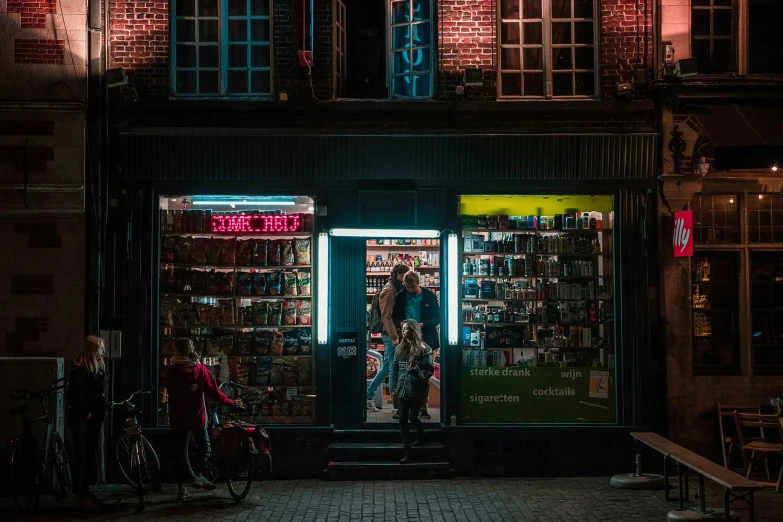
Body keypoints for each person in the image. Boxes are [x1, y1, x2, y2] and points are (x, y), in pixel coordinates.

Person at [166, 337, 243, 501]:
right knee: (204, 447)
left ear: (177, 350)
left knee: (179, 452)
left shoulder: (171, 370)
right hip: (196, 417)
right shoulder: (200, 369)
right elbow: (215, 393)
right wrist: (231, 402)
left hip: (177, 417)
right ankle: (199, 475)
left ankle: (181, 489)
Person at [392, 270, 440, 419]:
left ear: (418, 283)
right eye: (408, 287)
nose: (411, 290)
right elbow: (395, 316)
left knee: (424, 375)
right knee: (404, 372)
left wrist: (422, 324)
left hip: (427, 339)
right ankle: (402, 406)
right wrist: (403, 325)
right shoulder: (401, 296)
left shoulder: (429, 296)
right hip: (407, 339)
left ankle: (423, 406)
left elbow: (437, 317)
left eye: (413, 287)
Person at [67, 335, 107, 510]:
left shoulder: (88, 370)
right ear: (93, 350)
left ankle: (85, 491)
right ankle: (81, 496)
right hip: (84, 421)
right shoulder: (81, 371)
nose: (103, 352)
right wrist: (86, 412)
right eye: (101, 348)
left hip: (92, 421)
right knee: (83, 457)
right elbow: (75, 396)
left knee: (88, 456)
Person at [366, 262, 410, 414]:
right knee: (393, 368)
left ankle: (368, 396)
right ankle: (396, 406)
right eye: (404, 276)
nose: (405, 279)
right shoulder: (390, 290)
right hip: (390, 334)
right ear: (398, 274)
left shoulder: (396, 288)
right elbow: (386, 316)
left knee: (386, 367)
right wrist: (394, 337)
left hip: (392, 334)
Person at [391, 320, 434, 464]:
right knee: (402, 419)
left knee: (413, 417)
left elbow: (428, 371)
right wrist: (393, 388)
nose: (403, 332)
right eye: (402, 329)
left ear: (413, 331)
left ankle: (421, 435)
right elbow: (395, 369)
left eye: (406, 329)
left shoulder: (424, 349)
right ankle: (407, 450)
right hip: (402, 390)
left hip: (416, 390)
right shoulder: (400, 349)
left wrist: (416, 370)